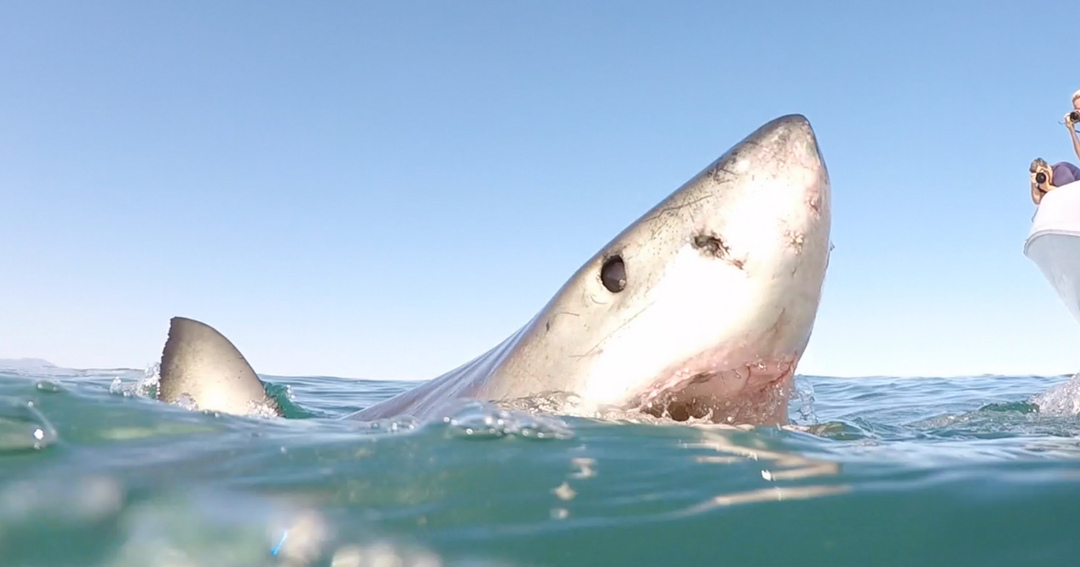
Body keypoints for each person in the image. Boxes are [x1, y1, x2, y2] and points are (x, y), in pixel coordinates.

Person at [1031, 90, 1080, 205]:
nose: (1077, 113)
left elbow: (1070, 194)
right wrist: (1071, 131)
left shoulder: (1060, 170)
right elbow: (1037, 200)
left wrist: (1048, 188)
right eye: (1076, 110)